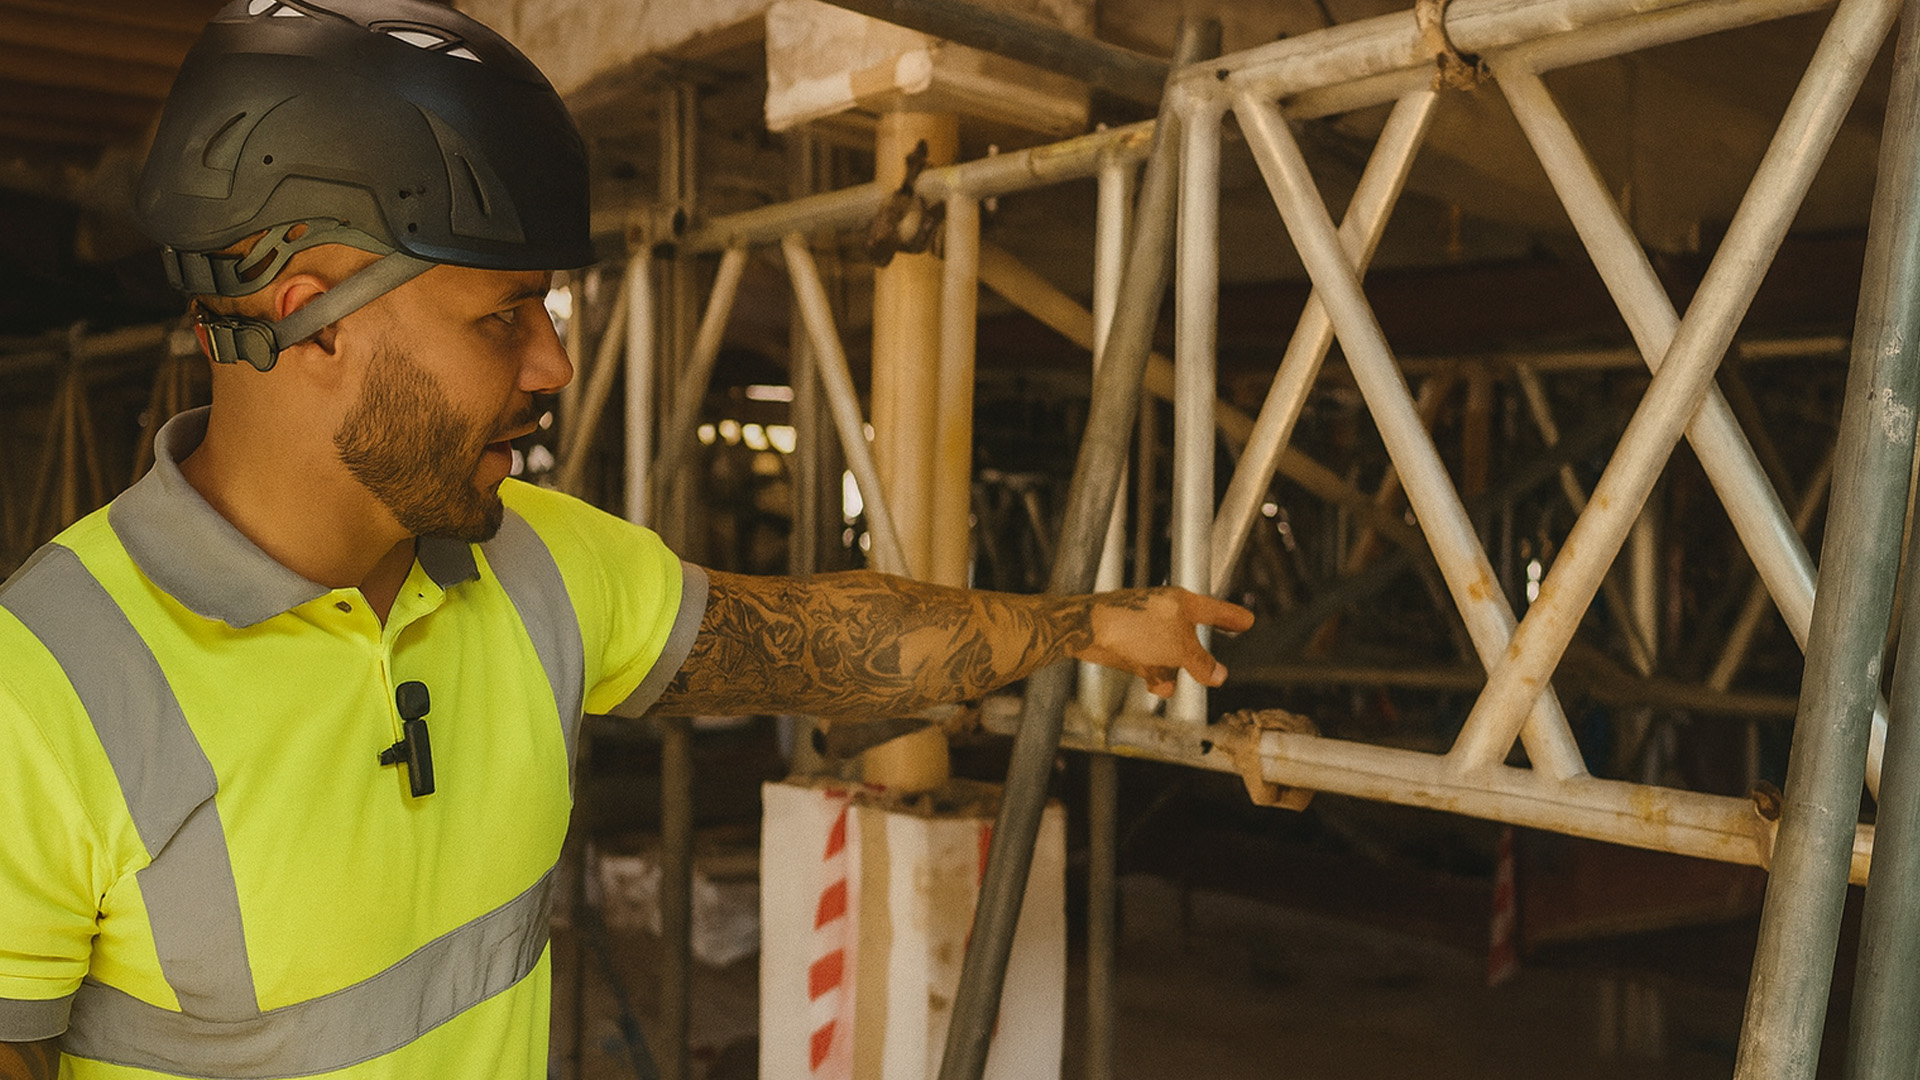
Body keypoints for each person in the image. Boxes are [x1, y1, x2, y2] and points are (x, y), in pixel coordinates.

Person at [0, 2, 1252, 1077]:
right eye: (503, 316)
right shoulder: (45, 690)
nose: (553, 359)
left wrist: (1077, 624)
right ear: (312, 319)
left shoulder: (535, 565)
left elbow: (813, 641)